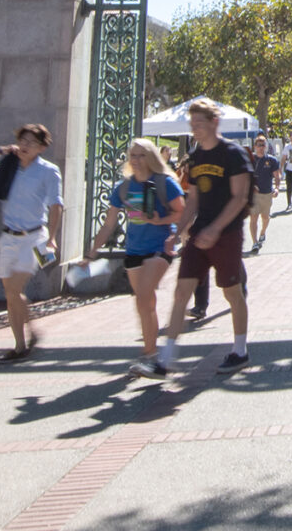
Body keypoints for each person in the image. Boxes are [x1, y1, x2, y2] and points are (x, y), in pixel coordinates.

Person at [164, 99, 254, 371]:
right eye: (192, 125)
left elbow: (239, 198)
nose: (195, 129)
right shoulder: (195, 157)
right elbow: (192, 199)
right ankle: (164, 359)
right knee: (181, 292)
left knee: (232, 293)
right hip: (198, 233)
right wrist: (177, 232)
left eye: (199, 124)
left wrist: (216, 229)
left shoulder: (233, 154)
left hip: (226, 233)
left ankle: (240, 351)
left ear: (214, 123)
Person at [0, 123, 63, 363]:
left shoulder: (49, 171)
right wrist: (0, 151)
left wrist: (52, 238)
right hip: (8, 237)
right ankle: (22, 342)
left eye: (32, 142)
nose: (25, 145)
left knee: (14, 290)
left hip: (35, 237)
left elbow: (56, 205)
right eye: (23, 140)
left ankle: (23, 342)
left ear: (42, 147)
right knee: (10, 294)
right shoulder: (7, 167)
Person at [94, 137, 185, 378]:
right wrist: (93, 249)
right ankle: (151, 354)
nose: (135, 160)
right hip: (134, 250)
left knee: (145, 293)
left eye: (141, 155)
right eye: (132, 155)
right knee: (144, 303)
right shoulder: (123, 188)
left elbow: (182, 213)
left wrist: (160, 221)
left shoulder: (165, 183)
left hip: (159, 247)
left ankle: (150, 355)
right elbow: (109, 223)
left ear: (152, 158)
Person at [247, 137, 281, 251]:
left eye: (263, 145)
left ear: (266, 147)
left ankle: (262, 232)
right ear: (255, 147)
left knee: (265, 218)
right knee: (253, 217)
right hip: (254, 194)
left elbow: (277, 176)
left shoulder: (271, 160)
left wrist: (276, 188)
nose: (261, 147)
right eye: (258, 145)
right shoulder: (250, 160)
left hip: (267, 193)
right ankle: (255, 242)